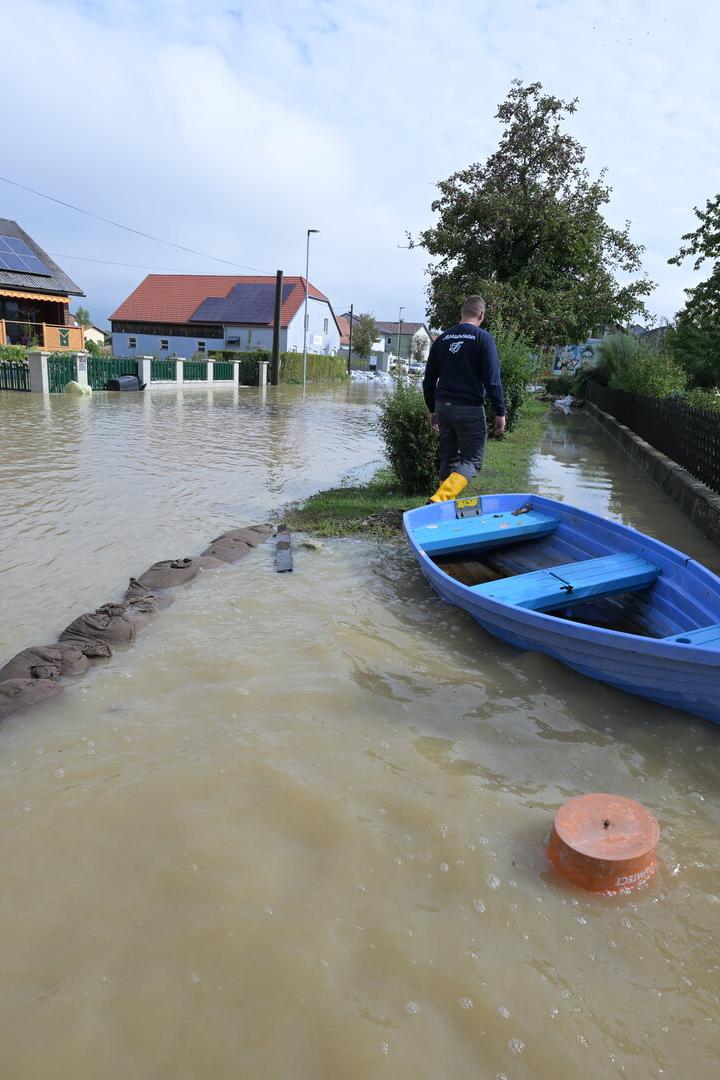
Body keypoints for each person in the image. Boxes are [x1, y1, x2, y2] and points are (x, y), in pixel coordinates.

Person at [422, 295, 506, 502]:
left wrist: (432, 409)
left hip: (443, 406)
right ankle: (440, 499)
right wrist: (500, 412)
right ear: (481, 315)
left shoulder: (442, 339)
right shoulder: (483, 338)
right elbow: (492, 381)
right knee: (472, 461)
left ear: (462, 312)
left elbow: (429, 380)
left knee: (448, 459)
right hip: (469, 407)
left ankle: (441, 508)